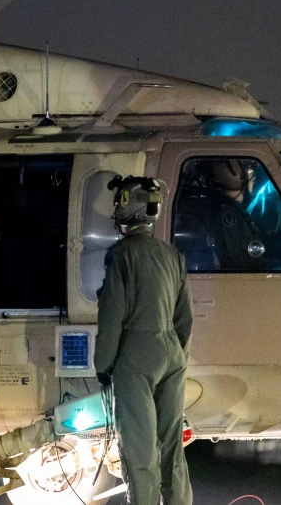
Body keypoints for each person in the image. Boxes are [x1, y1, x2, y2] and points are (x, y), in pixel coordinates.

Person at [94, 175, 193, 505]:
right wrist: (177, 356)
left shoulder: (121, 254)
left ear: (128, 206)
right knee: (172, 448)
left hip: (136, 357)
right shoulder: (172, 255)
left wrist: (103, 364)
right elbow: (185, 319)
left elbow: (112, 316)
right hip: (172, 354)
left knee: (140, 449)